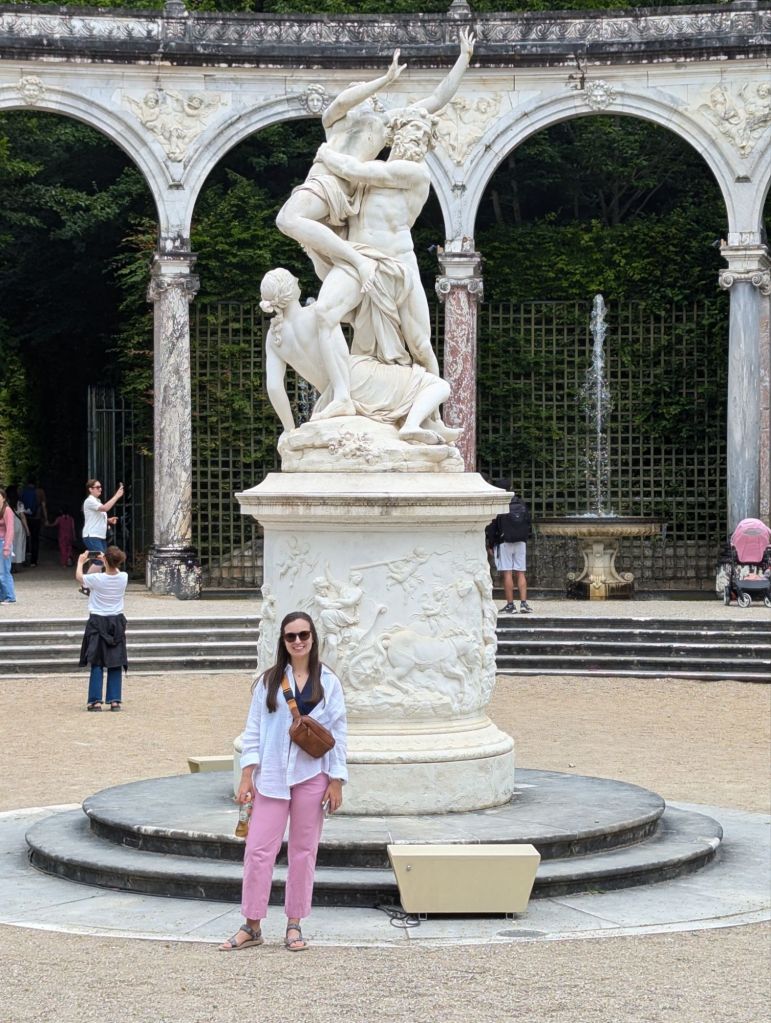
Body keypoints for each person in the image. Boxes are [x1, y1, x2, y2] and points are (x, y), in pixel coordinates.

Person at [276, 30, 474, 418]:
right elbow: (338, 103)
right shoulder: (338, 123)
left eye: (420, 135)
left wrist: (463, 60)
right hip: (337, 204)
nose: (414, 136)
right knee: (323, 303)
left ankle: (428, 415)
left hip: (369, 230)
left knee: (416, 342)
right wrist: (384, 79)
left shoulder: (400, 154)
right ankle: (345, 396)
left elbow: (435, 100)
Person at [220, 611, 348, 953]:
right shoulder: (269, 682)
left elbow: (338, 733)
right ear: (283, 641)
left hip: (312, 774)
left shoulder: (329, 682)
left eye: (303, 634)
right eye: (291, 636)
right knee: (258, 850)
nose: (298, 641)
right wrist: (247, 774)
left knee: (304, 851)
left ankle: (294, 922)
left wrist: (337, 780)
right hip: (273, 776)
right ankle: (252, 924)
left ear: (313, 638)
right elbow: (253, 729)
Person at [259, 268, 459, 445]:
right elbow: (359, 314)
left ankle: (426, 424)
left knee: (413, 390)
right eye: (293, 280)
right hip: (357, 377)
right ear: (290, 290)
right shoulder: (318, 311)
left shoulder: (274, 337)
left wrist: (288, 429)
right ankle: (411, 425)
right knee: (438, 385)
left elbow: (274, 387)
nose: (297, 280)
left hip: (329, 397)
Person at [76, 546, 128, 711]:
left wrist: (81, 562)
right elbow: (115, 569)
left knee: (97, 661)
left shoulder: (97, 579)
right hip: (116, 620)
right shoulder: (123, 577)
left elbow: (79, 577)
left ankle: (95, 701)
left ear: (106, 560)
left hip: (98, 620)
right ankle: (114, 700)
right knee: (115, 661)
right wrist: (107, 560)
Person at [485, 484, 532, 614]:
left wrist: (491, 544)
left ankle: (510, 605)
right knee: (521, 572)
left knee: (507, 573)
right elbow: (528, 522)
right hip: (521, 541)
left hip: (504, 542)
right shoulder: (521, 503)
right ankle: (524, 604)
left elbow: (492, 527)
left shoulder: (500, 504)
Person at [82, 479, 124, 555]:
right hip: (92, 535)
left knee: (102, 559)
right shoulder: (89, 501)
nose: (100, 489)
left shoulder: (97, 501)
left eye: (100, 487)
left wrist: (108, 520)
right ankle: (82, 561)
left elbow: (95, 518)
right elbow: (105, 508)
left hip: (99, 536)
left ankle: (84, 560)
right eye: (97, 487)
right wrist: (116, 496)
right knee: (100, 559)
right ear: (90, 489)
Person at [0, 488, 16, 604]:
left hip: (3, 542)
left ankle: (10, 596)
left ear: (4, 498)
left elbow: (10, 530)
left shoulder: (7, 510)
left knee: (4, 571)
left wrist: (6, 547)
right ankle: (2, 596)